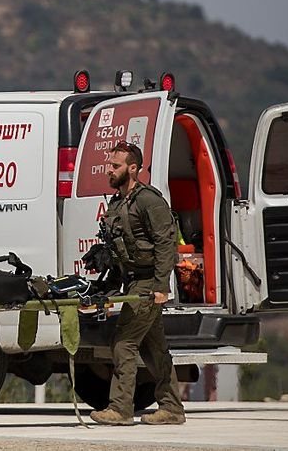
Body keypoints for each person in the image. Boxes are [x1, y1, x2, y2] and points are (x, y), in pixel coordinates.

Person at [90, 141, 186, 426]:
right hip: (132, 283)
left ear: (133, 169)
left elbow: (166, 242)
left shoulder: (148, 200)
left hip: (147, 285)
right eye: (110, 165)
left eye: (116, 166)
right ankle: (171, 408)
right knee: (154, 347)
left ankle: (120, 409)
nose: (110, 170)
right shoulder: (117, 202)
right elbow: (121, 248)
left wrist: (160, 285)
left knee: (124, 342)